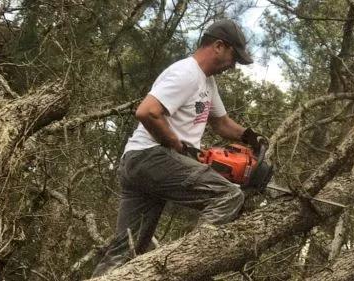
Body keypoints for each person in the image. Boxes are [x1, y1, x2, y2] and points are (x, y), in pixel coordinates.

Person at [92, 19, 267, 277]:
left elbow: (220, 122)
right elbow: (147, 111)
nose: (233, 66)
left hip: (141, 163)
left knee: (127, 249)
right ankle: (190, 264)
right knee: (228, 196)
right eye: (234, 57)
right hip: (152, 157)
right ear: (218, 46)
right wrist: (174, 143)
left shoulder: (206, 82)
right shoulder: (186, 72)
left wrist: (250, 136)